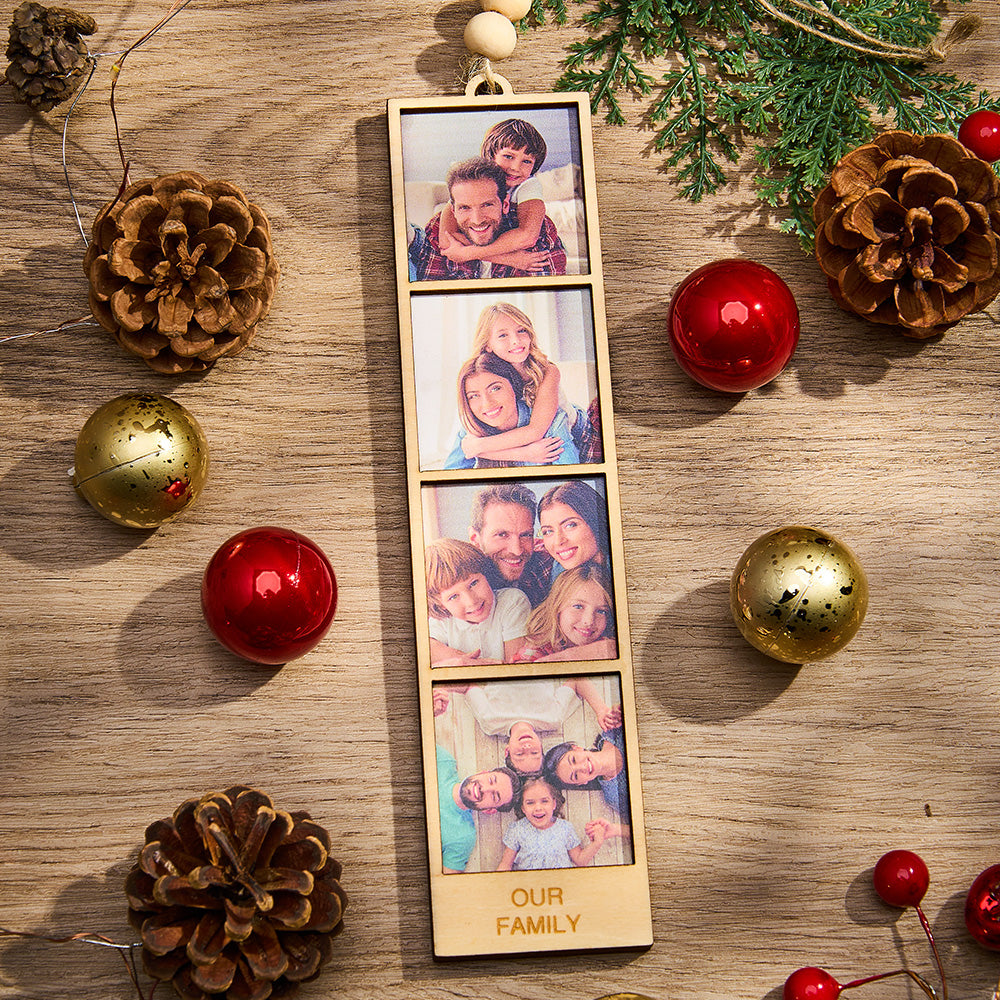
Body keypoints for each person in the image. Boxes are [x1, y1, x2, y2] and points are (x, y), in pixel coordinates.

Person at [456, 302, 593, 465]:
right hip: (526, 432)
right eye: (503, 335)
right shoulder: (490, 373)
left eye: (521, 331)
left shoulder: (548, 371)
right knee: (465, 432)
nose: (515, 341)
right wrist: (524, 453)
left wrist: (478, 446)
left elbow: (535, 431)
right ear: (487, 345)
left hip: (573, 430)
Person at [408, 158, 566, 280]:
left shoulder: (539, 229)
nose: (477, 220)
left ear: (505, 205)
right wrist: (511, 259)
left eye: (487, 205)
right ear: (453, 209)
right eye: (465, 207)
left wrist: (469, 253)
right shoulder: (440, 227)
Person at [433, 677, 623, 774]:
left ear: (507, 750)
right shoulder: (552, 718)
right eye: (534, 753)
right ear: (541, 746)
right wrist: (600, 710)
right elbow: (576, 680)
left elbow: (467, 685)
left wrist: (440, 688)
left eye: (520, 754)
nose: (527, 747)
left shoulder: (490, 722)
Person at [437, 119, 552, 271]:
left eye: (526, 161)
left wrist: (467, 253)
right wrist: (511, 259)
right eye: (508, 157)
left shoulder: (528, 185)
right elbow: (446, 241)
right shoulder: (474, 180)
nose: (515, 168)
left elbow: (528, 237)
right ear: (491, 155)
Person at [443, 353, 579, 469]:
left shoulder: (552, 424)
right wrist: (525, 453)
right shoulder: (470, 432)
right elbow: (448, 481)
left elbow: (570, 485)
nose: (487, 403)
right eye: (474, 396)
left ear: (514, 386)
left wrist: (481, 449)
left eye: (495, 389)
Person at [425, 538, 529, 665]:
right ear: (441, 604)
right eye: (453, 597)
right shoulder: (444, 618)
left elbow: (514, 667)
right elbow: (427, 647)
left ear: (485, 575)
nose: (471, 601)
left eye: (473, 583)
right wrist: (464, 661)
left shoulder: (512, 602)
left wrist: (472, 667)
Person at [468, 482, 552, 608]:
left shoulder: (547, 559)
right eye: (502, 535)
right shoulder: (461, 582)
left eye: (525, 535)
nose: (517, 550)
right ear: (475, 539)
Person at [496, 776, 606, 871]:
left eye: (544, 801)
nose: (538, 808)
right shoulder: (517, 829)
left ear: (554, 804)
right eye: (530, 803)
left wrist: (597, 843)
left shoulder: (565, 828)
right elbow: (506, 864)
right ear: (523, 808)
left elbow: (580, 860)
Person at [436, 746, 519, 873]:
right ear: (482, 773)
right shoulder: (443, 762)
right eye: (491, 780)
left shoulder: (463, 838)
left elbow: (445, 885)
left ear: (489, 810)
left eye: (494, 796)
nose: (484, 789)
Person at [514, 563, 618, 663]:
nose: (589, 621)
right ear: (557, 605)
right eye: (578, 606)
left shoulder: (608, 644)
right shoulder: (534, 653)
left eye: (601, 611)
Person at [544, 726, 631, 841]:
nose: (582, 767)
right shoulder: (614, 795)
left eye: (574, 760)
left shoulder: (613, 728)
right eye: (575, 776)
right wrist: (617, 830)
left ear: (577, 748)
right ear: (581, 783)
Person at [537, 480, 610, 580]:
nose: (558, 541)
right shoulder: (559, 569)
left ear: (596, 521)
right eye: (548, 532)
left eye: (570, 525)